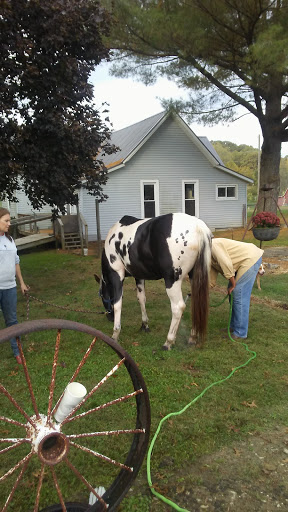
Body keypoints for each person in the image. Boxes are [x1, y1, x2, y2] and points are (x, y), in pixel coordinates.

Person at [210, 238, 263, 340]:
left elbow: (226, 264)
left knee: (239, 293)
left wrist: (233, 285)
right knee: (233, 293)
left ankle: (240, 333)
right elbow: (211, 280)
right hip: (242, 262)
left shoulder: (213, 245)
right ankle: (234, 326)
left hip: (251, 258)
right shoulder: (206, 255)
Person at [0, 207, 29, 364]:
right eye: (6, 220)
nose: (9, 223)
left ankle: (17, 352)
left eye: (9, 220)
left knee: (12, 321)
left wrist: (22, 283)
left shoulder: (10, 241)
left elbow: (16, 262)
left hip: (10, 288)